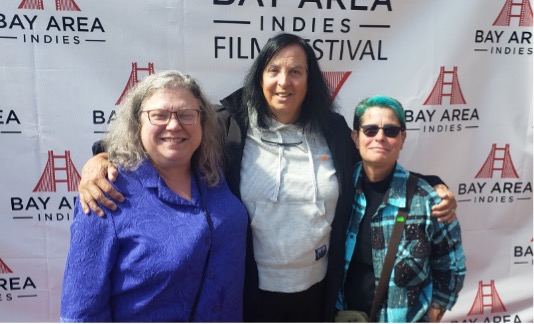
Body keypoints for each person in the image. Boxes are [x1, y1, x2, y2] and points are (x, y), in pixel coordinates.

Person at [77, 33, 458, 322]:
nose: (284, 81)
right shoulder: (228, 124)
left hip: (318, 291)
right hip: (245, 293)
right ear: (259, 77)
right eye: (273, 70)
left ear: (310, 81)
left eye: (296, 71)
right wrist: (102, 156)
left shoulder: (334, 129)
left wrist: (431, 183)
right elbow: (167, 138)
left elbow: (374, 166)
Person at [60, 71, 248, 322]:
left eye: (186, 114)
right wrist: (100, 158)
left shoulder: (214, 174)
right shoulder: (106, 191)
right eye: (159, 115)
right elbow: (81, 311)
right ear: (137, 123)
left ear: (202, 122)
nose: (174, 124)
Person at [335, 96, 466, 322]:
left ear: (403, 138)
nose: (380, 137)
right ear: (355, 137)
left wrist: (435, 310)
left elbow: (451, 264)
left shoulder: (427, 201)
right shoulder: (338, 190)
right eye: (370, 130)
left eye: (391, 131)